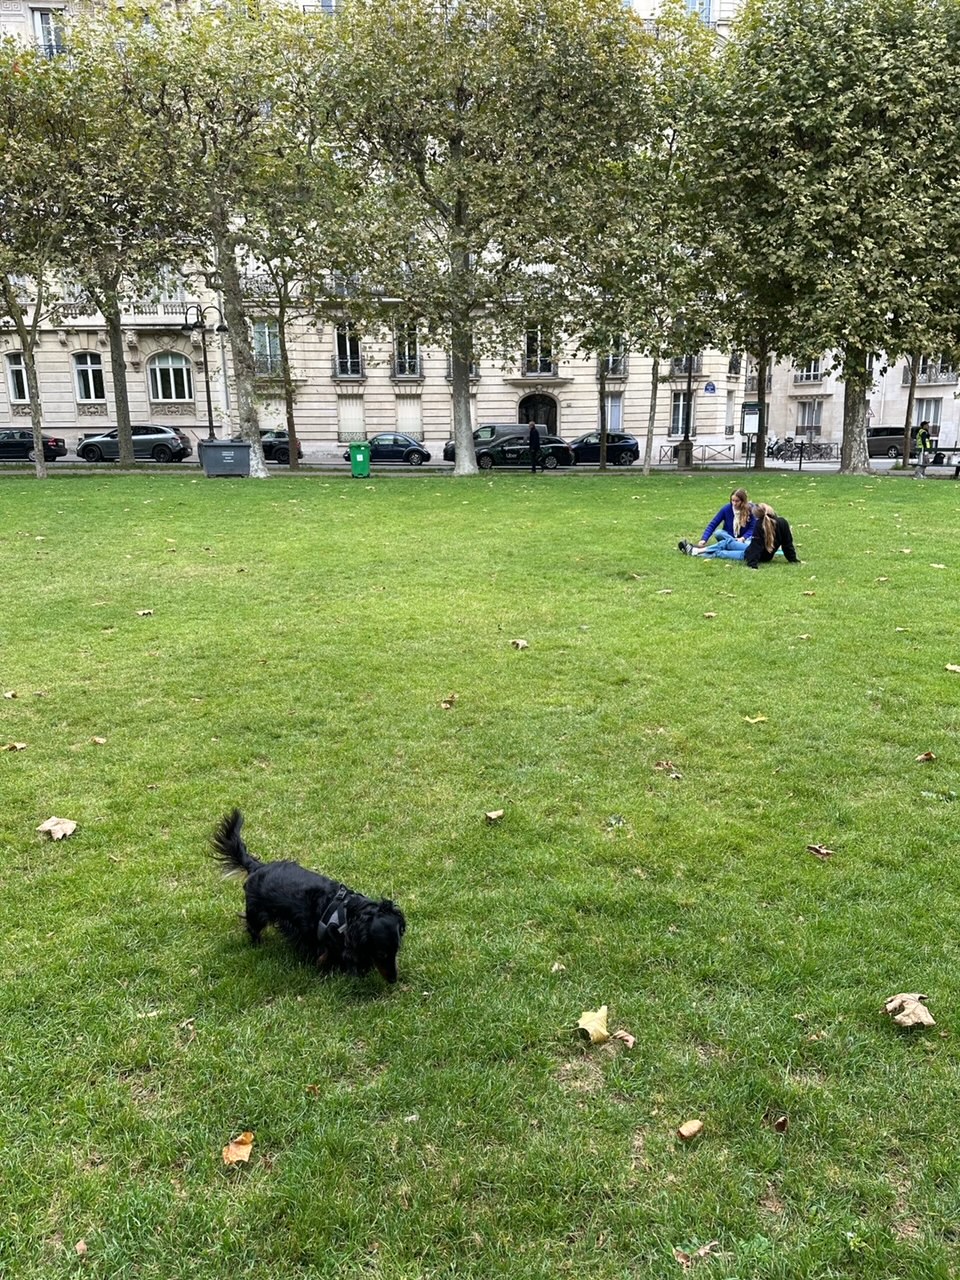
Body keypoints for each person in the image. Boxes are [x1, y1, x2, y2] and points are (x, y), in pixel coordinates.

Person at [680, 502, 799, 567]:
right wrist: (793, 560)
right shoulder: (782, 522)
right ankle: (697, 549)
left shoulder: (760, 525)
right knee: (728, 542)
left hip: (752, 554)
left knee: (720, 553)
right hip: (753, 550)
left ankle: (695, 552)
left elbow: (757, 548)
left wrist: (752, 564)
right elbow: (787, 544)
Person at [678, 488, 754, 555]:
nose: (734, 503)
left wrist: (743, 538)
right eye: (732, 500)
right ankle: (731, 544)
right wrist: (704, 539)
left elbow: (752, 529)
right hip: (730, 537)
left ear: (743, 501)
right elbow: (713, 524)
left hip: (746, 540)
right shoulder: (727, 509)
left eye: (737, 501)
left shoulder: (751, 510)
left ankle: (697, 551)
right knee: (718, 533)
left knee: (745, 549)